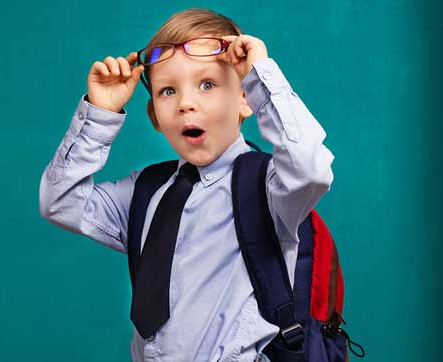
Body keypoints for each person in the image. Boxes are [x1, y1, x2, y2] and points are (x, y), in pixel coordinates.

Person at [38, 8, 334, 362]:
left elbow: (311, 169)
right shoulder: (145, 193)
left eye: (207, 84)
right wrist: (100, 115)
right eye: (167, 91)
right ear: (154, 118)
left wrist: (261, 78)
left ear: (244, 99)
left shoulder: (271, 187)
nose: (185, 104)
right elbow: (61, 202)